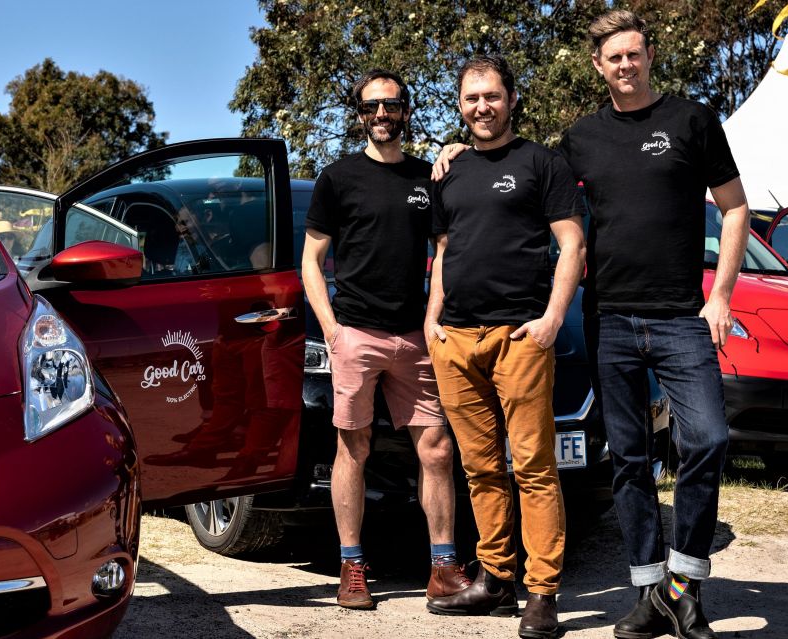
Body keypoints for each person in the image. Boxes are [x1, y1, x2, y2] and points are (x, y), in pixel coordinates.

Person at [433, 11, 750, 639]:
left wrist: (722, 297)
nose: (625, 66)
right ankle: (647, 592)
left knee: (707, 440)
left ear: (649, 55)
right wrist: (453, 152)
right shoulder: (577, 140)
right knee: (628, 459)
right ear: (598, 66)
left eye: (633, 54)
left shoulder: (691, 120)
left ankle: (685, 585)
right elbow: (512, 195)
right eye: (613, 58)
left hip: (683, 318)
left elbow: (735, 207)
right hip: (609, 318)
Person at [423, 55, 585, 639]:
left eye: (492, 96)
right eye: (471, 98)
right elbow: (444, 249)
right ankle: (494, 578)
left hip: (519, 337)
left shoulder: (542, 162)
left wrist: (551, 319)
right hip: (455, 339)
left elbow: (572, 245)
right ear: (460, 104)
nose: (481, 107)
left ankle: (543, 593)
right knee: (481, 468)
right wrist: (431, 320)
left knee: (535, 469)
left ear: (512, 99)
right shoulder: (449, 171)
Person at [301, 69, 468, 610]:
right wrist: (331, 329)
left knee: (437, 449)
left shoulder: (427, 178)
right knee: (354, 448)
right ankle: (352, 566)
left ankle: (443, 568)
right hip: (356, 335)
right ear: (358, 114)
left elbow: (443, 251)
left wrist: (433, 317)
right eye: (370, 106)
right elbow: (311, 261)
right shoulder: (337, 178)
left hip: (415, 337)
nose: (380, 115)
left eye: (390, 105)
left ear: (404, 111)